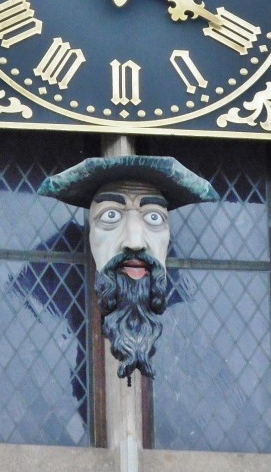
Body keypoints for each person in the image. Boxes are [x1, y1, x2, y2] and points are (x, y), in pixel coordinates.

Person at [39, 155, 218, 380]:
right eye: (111, 215)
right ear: (90, 236)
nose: (135, 242)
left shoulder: (190, 331)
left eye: (154, 217)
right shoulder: (44, 308)